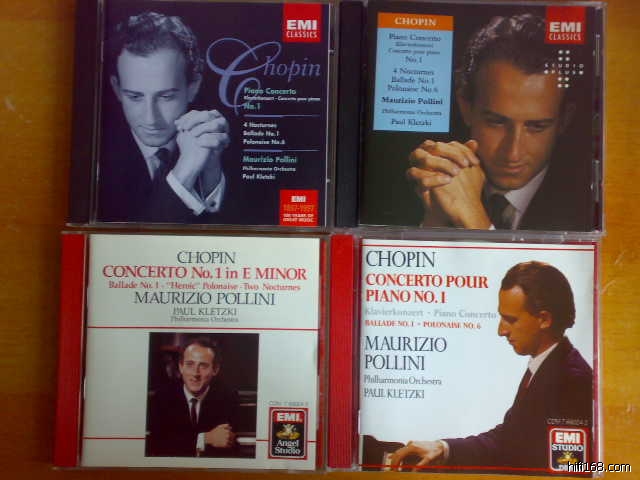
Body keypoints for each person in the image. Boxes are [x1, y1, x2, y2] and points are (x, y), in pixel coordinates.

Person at [389, 261, 593, 470]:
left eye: (510, 320)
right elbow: (510, 439)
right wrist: (444, 448)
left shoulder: (571, 379)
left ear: (544, 319)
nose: (501, 331)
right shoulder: (549, 365)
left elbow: (567, 467)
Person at [407, 14, 588, 230]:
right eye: (496, 122)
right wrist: (435, 222)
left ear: (564, 120)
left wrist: (474, 219)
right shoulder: (424, 181)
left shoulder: (587, 205)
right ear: (465, 107)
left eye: (537, 127)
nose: (513, 153)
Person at [97, 11, 230, 222]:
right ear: (116, 88)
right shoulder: (95, 156)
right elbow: (135, 238)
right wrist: (184, 173)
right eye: (134, 97)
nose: (151, 119)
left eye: (166, 97)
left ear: (193, 86)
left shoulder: (221, 138)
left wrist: (211, 175)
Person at [146, 337, 239, 457]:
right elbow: (158, 445)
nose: (195, 373)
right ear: (181, 367)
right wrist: (205, 439)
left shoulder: (228, 398)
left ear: (215, 369)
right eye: (189, 364)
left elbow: (225, 444)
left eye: (203, 366)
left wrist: (184, 441)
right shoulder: (162, 398)